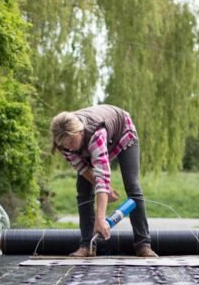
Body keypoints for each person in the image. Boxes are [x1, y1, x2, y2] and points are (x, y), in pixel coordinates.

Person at [50, 104, 158, 258]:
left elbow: (102, 177)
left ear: (80, 132)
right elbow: (82, 168)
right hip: (89, 144)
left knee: (132, 186)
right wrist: (106, 190)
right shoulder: (63, 141)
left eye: (72, 143)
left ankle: (143, 245)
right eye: (66, 145)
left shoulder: (96, 133)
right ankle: (87, 245)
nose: (70, 148)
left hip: (123, 134)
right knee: (83, 190)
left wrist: (100, 218)